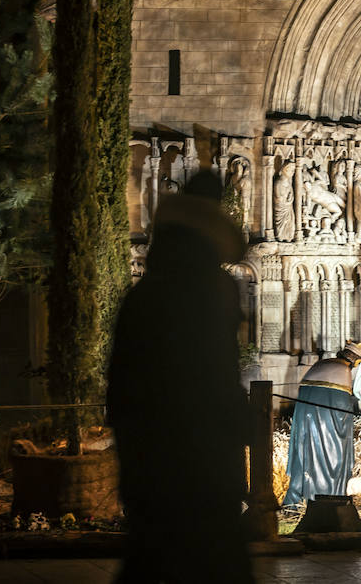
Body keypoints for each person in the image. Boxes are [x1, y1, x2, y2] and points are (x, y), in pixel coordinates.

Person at [106, 171, 253, 583]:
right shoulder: (212, 288)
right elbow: (216, 370)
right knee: (211, 553)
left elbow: (122, 382)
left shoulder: (145, 293)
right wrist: (234, 424)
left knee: (154, 550)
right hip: (199, 450)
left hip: (150, 449)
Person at [284, 341, 361, 510]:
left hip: (305, 419)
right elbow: (341, 408)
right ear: (355, 360)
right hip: (325, 422)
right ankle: (325, 497)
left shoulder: (322, 363)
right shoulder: (343, 370)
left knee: (305, 453)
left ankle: (297, 500)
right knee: (331, 455)